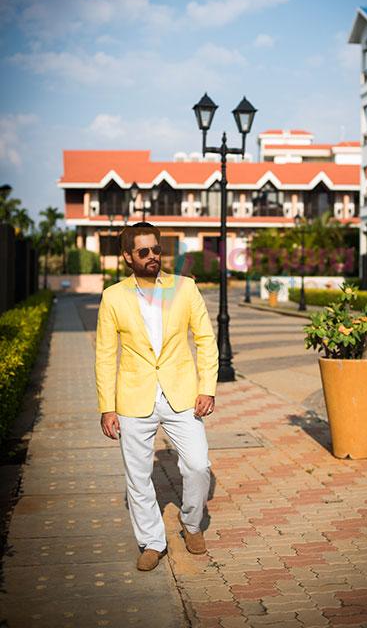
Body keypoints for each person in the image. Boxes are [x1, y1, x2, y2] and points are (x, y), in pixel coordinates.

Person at [95, 222, 218, 571]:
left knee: (197, 465)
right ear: (127, 257)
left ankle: (192, 525)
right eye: (143, 252)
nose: (152, 257)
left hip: (182, 393)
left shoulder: (185, 288)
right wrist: (107, 408)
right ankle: (152, 541)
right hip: (134, 397)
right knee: (137, 476)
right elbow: (105, 355)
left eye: (156, 250)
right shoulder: (113, 296)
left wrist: (207, 386)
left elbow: (206, 339)